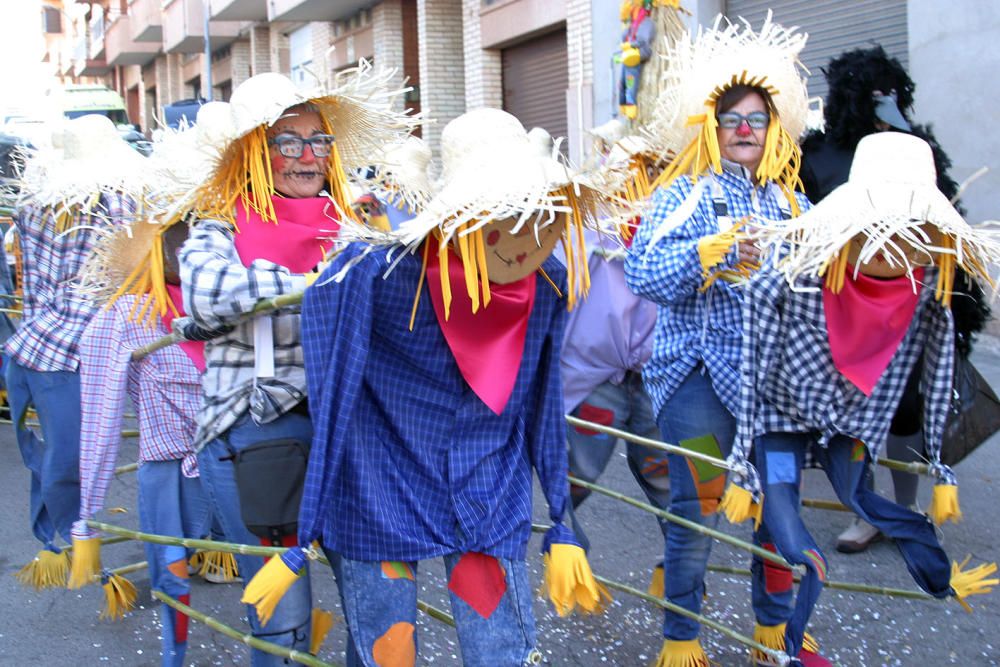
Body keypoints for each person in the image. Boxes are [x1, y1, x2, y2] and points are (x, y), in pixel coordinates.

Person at [242, 108, 628, 666]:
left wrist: (562, 514)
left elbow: (545, 400)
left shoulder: (547, 281)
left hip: (487, 490)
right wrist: (307, 528)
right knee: (388, 650)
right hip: (382, 486)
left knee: (498, 650)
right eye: (506, 214)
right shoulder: (377, 274)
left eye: (538, 215)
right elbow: (333, 386)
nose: (523, 237)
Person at [730, 131, 999, 665]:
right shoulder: (792, 275)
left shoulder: (925, 293)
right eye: (881, 226)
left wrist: (938, 462)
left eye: (910, 231)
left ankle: (928, 578)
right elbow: (754, 360)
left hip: (853, 425)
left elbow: (942, 355)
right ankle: (783, 639)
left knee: (861, 493)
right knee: (784, 524)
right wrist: (743, 450)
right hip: (782, 414)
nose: (893, 243)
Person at [179, 67, 413, 664]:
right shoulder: (219, 223)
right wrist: (317, 284)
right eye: (288, 142)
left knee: (383, 602)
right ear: (257, 152)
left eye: (318, 141)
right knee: (282, 616)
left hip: (353, 437)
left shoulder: (355, 225)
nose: (307, 156)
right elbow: (206, 289)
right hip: (259, 435)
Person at [624, 16, 828, 666]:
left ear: (773, 130)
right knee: (701, 504)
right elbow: (641, 273)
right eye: (732, 118)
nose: (744, 129)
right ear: (712, 128)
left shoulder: (792, 204)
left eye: (756, 119)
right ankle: (682, 638)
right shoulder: (681, 192)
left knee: (776, 511)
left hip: (772, 388)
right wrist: (706, 255)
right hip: (694, 379)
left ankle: (773, 633)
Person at [800, 45, 992, 553]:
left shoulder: (913, 147)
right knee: (851, 406)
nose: (884, 102)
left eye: (892, 92)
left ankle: (901, 508)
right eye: (873, 93)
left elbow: (944, 221)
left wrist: (959, 308)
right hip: (839, 300)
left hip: (907, 299)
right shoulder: (816, 154)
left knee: (906, 407)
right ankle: (864, 506)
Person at [7, 115, 139, 588]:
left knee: (65, 453)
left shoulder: (37, 202)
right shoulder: (116, 201)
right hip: (80, 342)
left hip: (47, 343)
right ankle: (69, 542)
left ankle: (65, 542)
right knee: (74, 454)